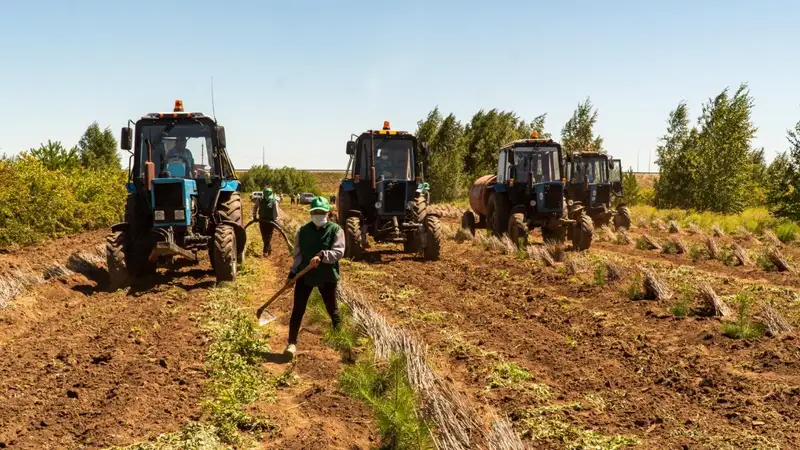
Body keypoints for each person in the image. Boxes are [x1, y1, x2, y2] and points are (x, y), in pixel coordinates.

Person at [284, 196, 344, 356]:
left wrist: (323, 256)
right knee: (298, 309)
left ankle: (343, 342)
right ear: (311, 213)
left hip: (327, 275)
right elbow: (297, 255)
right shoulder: (302, 231)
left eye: (322, 211)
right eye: (315, 211)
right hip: (305, 275)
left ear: (328, 212)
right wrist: (292, 273)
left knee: (333, 309)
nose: (318, 214)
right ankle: (291, 343)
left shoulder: (336, 230)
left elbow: (339, 252)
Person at [254, 187, 279, 255]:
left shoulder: (274, 201)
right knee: (264, 236)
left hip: (270, 221)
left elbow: (275, 211)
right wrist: (254, 216)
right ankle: (269, 248)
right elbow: (255, 207)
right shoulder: (260, 200)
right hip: (262, 220)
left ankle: (265, 251)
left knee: (269, 235)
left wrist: (275, 220)